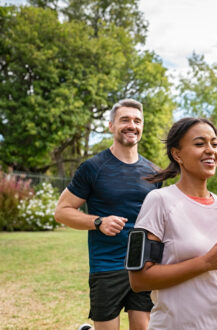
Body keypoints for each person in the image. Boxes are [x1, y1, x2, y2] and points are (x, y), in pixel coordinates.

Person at [128, 117, 217, 330]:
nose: (210, 150)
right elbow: (139, 280)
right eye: (200, 144)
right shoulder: (159, 201)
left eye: (214, 144)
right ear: (177, 154)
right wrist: (206, 262)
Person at [54, 99, 161, 330]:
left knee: (143, 328)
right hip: (107, 265)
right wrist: (98, 222)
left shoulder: (154, 173)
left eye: (137, 121)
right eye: (125, 120)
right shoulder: (93, 168)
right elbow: (61, 211)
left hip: (143, 264)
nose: (131, 125)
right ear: (111, 125)